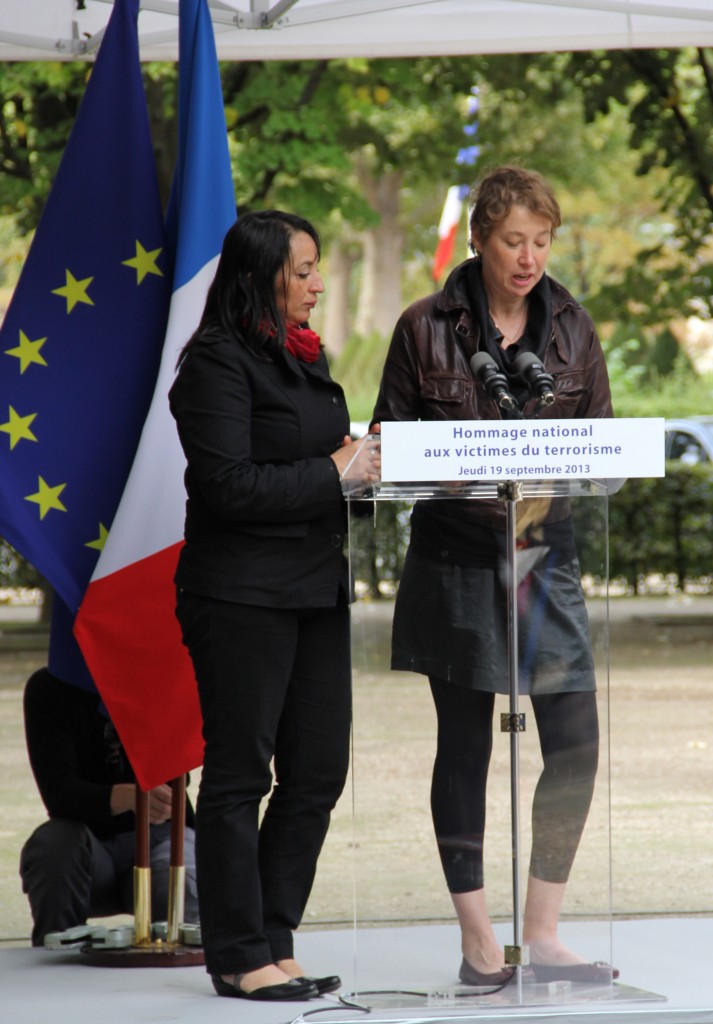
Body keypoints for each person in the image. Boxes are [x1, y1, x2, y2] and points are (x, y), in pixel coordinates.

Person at [371, 166, 616, 987]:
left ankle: (542, 934)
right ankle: (479, 941)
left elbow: (602, 450)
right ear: (478, 239)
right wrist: (446, 468)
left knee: (575, 744)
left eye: (541, 241)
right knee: (465, 746)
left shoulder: (574, 328)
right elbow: (387, 446)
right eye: (513, 241)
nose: (528, 257)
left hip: (547, 556)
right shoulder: (421, 327)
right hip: (456, 557)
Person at [169, 210, 379, 1002]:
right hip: (240, 595)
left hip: (315, 588)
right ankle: (236, 953)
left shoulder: (302, 354)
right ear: (259, 277)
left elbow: (330, 462)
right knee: (238, 776)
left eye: (317, 268)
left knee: (317, 770)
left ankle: (274, 937)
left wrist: (369, 471)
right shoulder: (215, 363)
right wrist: (334, 472)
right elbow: (226, 485)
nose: (317, 284)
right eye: (303, 270)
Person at [19, 667, 198, 947]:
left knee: (178, 878)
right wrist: (128, 798)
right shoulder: (50, 687)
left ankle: (179, 958)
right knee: (52, 847)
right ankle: (55, 960)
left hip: (158, 835)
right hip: (86, 843)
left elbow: (175, 777)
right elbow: (59, 793)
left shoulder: (158, 680)